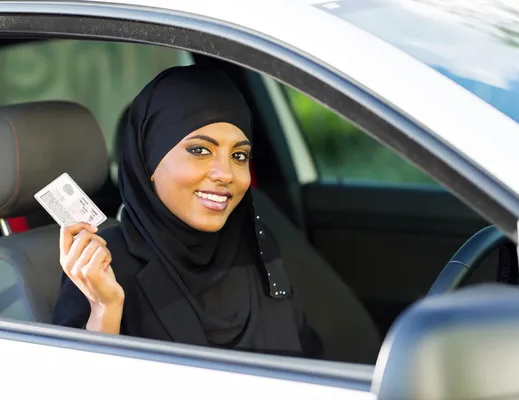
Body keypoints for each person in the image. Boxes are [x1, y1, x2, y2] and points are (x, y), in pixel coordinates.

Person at [52, 65, 323, 359]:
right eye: (200, 150)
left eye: (239, 156)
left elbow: (312, 363)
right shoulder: (102, 266)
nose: (226, 174)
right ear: (148, 162)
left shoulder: (258, 247)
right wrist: (105, 309)